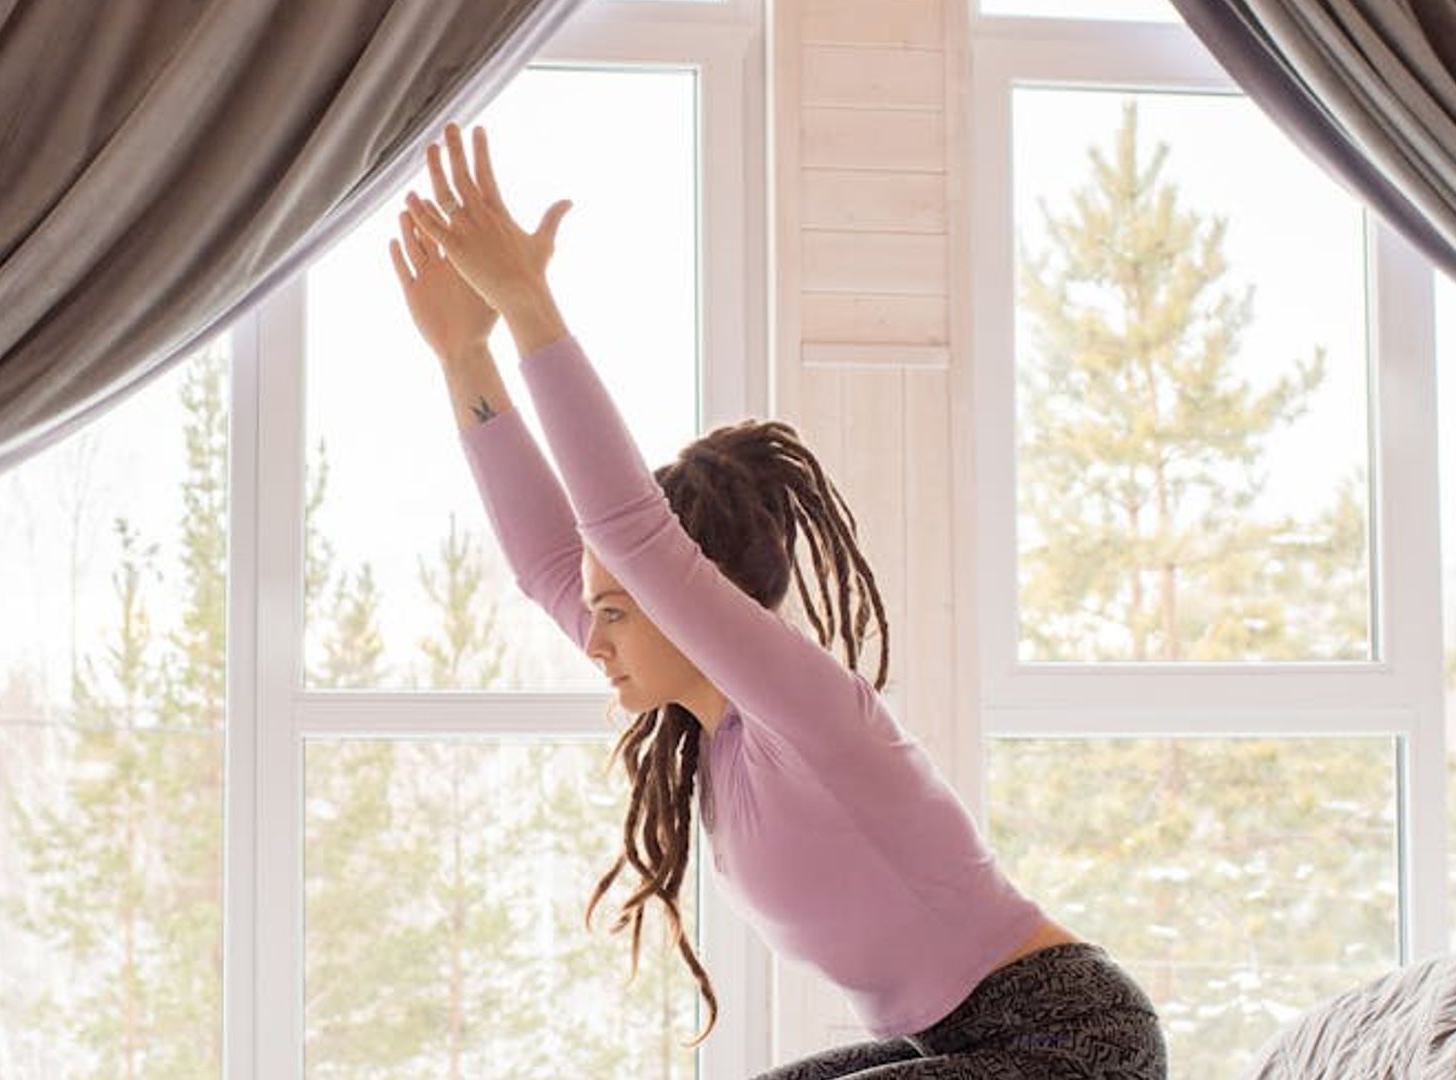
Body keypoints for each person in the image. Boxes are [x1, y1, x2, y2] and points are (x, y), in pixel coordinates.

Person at [388, 122, 1168, 1080]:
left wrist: (528, 303)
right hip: (963, 1047)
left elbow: (630, 531)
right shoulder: (716, 738)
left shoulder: (805, 713)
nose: (593, 637)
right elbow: (557, 557)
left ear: (691, 601)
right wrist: (464, 356)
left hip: (1071, 1040)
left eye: (621, 612)